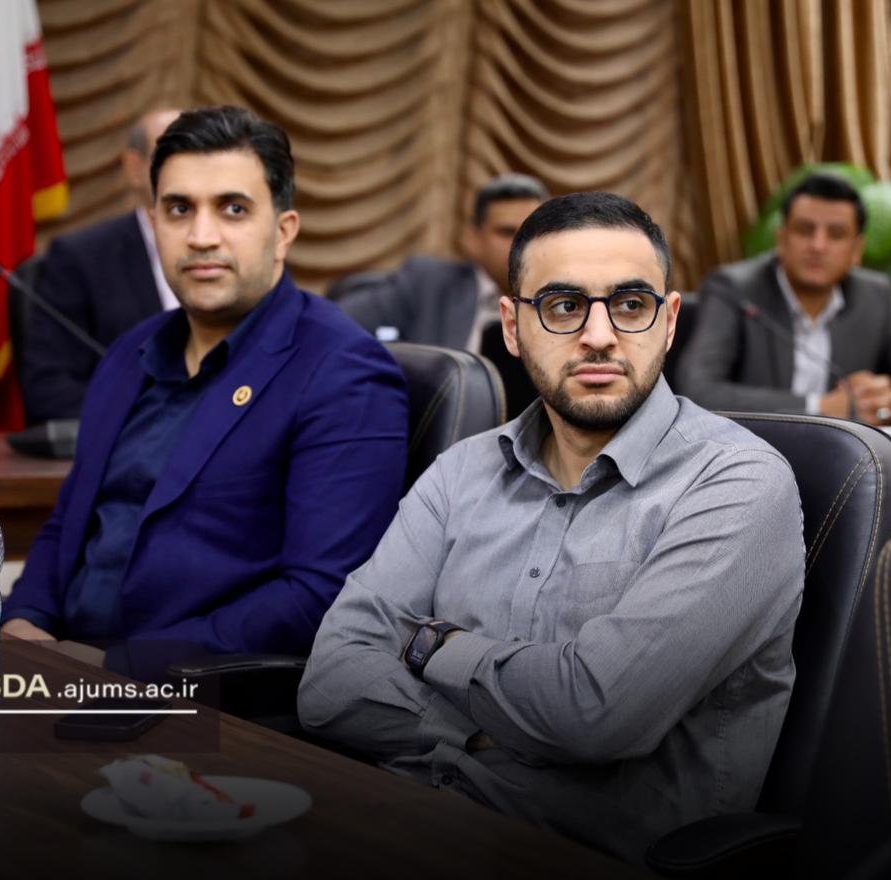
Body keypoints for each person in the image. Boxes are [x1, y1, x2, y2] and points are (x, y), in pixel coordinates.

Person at [298, 192, 805, 863]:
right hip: (397, 819)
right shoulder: (461, 471)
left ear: (668, 321)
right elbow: (328, 684)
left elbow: (595, 716)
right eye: (564, 306)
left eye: (630, 305)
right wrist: (483, 739)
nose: (599, 336)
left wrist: (429, 646)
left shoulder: (738, 483)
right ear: (512, 327)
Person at [1, 106, 409, 655]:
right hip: (61, 666)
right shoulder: (129, 354)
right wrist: (25, 619)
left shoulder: (343, 373)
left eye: (233, 209)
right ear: (154, 224)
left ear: (283, 232)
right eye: (179, 209)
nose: (200, 236)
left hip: (188, 689)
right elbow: (68, 525)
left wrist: (117, 668)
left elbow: (319, 596)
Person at [676, 173, 891, 425]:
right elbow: (696, 389)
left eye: (835, 234)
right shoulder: (734, 289)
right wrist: (820, 407)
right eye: (805, 230)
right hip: (750, 442)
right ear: (781, 238)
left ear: (856, 250)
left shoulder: (873, 296)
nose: (818, 245)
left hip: (841, 448)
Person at [17, 108, 182, 424]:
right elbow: (48, 388)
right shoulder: (81, 259)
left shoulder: (242, 256)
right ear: (134, 167)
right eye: (172, 157)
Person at [333, 174, 548, 353]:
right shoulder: (427, 283)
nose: (520, 244)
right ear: (473, 238)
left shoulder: (558, 295)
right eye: (506, 232)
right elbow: (337, 324)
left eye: (530, 232)